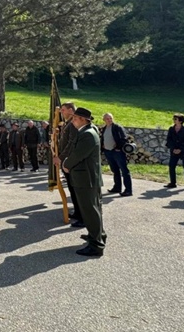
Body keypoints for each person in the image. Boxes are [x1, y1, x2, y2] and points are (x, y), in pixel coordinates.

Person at [60, 107, 106, 257]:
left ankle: (96, 245)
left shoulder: (87, 134)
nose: (72, 121)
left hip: (86, 179)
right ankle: (98, 235)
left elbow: (78, 154)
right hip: (87, 177)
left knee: (90, 211)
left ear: (83, 120)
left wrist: (66, 164)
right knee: (93, 209)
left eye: (75, 118)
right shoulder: (88, 130)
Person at [57, 102, 81, 224]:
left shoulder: (74, 124)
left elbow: (71, 143)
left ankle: (81, 214)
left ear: (71, 110)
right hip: (67, 160)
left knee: (76, 188)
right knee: (72, 188)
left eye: (63, 110)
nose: (61, 112)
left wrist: (61, 157)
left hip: (70, 161)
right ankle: (77, 211)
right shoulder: (68, 123)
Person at [100, 113, 132, 197]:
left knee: (124, 170)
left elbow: (124, 138)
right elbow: (103, 138)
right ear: (104, 120)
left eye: (110, 118)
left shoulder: (117, 127)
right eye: (107, 118)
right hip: (108, 151)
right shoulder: (104, 128)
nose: (109, 120)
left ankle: (128, 190)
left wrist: (118, 147)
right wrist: (103, 145)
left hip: (117, 152)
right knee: (115, 170)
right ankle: (117, 187)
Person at [165, 113, 184, 189]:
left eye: (175, 119)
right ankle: (172, 183)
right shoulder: (171, 129)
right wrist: (173, 148)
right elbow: (169, 140)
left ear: (180, 121)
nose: (174, 120)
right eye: (173, 119)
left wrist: (180, 149)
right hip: (174, 150)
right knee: (171, 166)